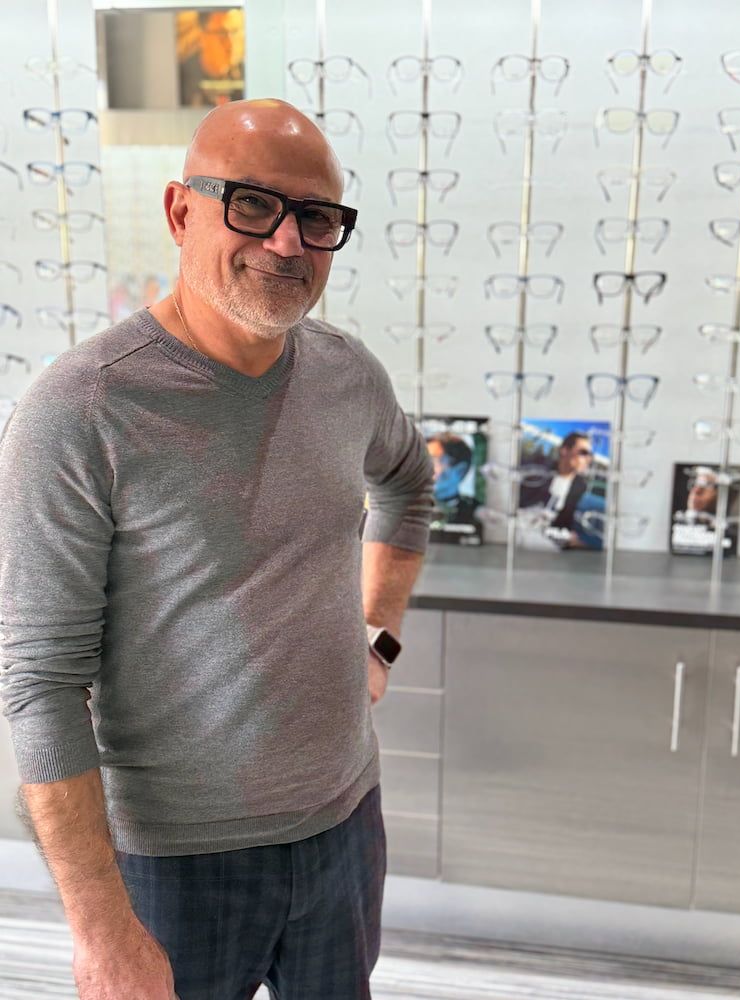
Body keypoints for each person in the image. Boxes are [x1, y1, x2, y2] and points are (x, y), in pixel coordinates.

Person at [0, 99, 434, 1000]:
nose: (286, 243)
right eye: (252, 204)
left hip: (343, 827)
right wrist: (101, 930)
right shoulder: (82, 410)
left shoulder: (347, 374)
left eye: (316, 218)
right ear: (180, 211)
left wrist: (378, 640)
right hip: (171, 865)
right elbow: (39, 680)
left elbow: (410, 484)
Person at [520, 431, 592, 547]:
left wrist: (566, 536)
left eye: (589, 455)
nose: (588, 459)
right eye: (583, 452)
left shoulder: (579, 486)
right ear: (564, 451)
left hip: (548, 535)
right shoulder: (539, 470)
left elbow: (565, 519)